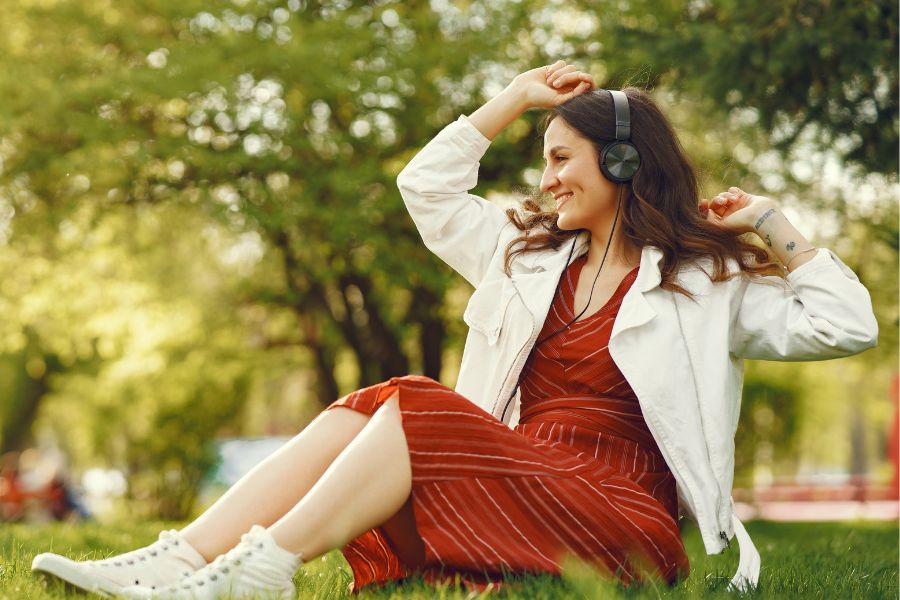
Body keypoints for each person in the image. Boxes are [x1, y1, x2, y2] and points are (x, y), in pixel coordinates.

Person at [31, 60, 878, 599]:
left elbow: (845, 323)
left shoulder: (701, 280)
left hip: (624, 516)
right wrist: (512, 99)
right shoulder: (527, 257)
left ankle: (260, 571)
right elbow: (427, 189)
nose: (545, 180)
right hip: (517, 475)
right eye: (542, 158)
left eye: (560, 158)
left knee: (415, 401)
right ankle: (179, 559)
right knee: (373, 403)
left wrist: (771, 223)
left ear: (621, 163)